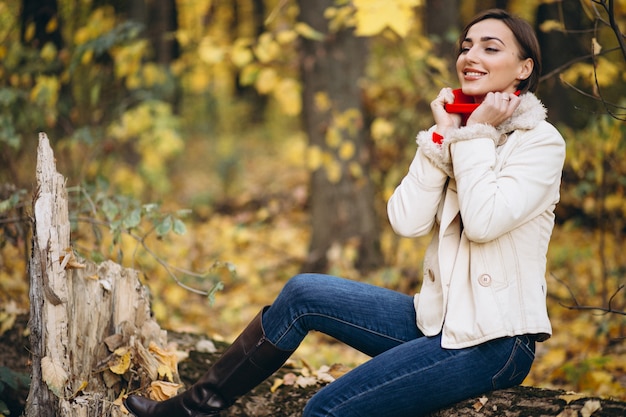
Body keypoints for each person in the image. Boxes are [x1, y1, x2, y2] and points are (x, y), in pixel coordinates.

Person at [124, 8, 566, 417]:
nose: (471, 56)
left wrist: (475, 136)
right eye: (466, 46)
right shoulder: (456, 132)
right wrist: (442, 141)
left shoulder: (540, 143)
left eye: (490, 47)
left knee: (326, 409)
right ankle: (192, 409)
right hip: (438, 319)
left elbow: (485, 223)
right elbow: (406, 222)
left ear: (524, 69)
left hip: (494, 341)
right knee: (302, 293)